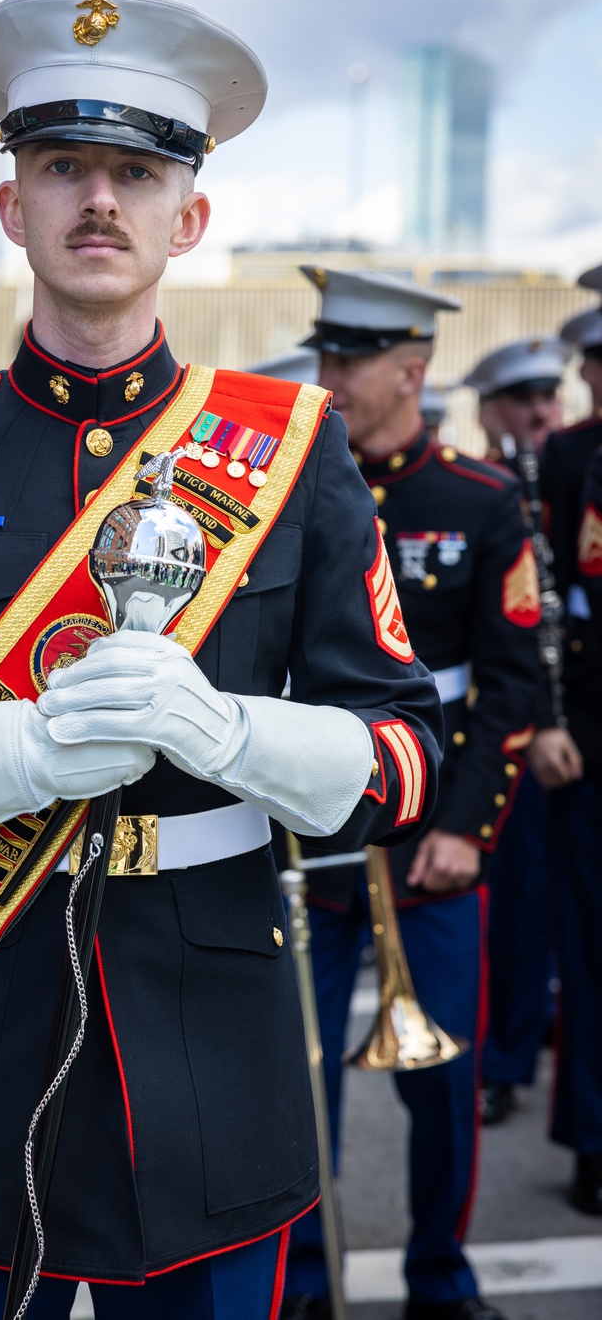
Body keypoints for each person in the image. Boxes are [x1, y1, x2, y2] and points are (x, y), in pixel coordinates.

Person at [0, 0, 443, 1320]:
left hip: (217, 1043)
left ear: (191, 217)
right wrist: (19, 747)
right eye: (63, 166)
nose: (99, 200)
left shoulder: (294, 453)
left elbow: (407, 761)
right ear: (14, 207)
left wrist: (233, 734)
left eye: (138, 170)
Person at [281, 266, 543, 1320]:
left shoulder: (480, 501)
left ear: (411, 369)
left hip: (433, 843)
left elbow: (513, 679)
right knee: (299, 1082)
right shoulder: (294, 491)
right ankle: (304, 1285)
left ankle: (440, 1276)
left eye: (348, 361)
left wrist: (463, 830)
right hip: (316, 836)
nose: (329, 377)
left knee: (441, 1084)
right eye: (324, 357)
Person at [459, 338, 572, 1126]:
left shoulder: (564, 482)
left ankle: (538, 1035)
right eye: (521, 401)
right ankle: (501, 1057)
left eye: (547, 398)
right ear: (492, 412)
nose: (538, 413)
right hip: (514, 734)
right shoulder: (486, 491)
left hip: (571, 728)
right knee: (515, 900)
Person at [527, 264, 602, 1213]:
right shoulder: (570, 458)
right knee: (587, 947)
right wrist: (546, 720)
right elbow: (539, 601)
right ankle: (592, 1137)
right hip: (590, 729)